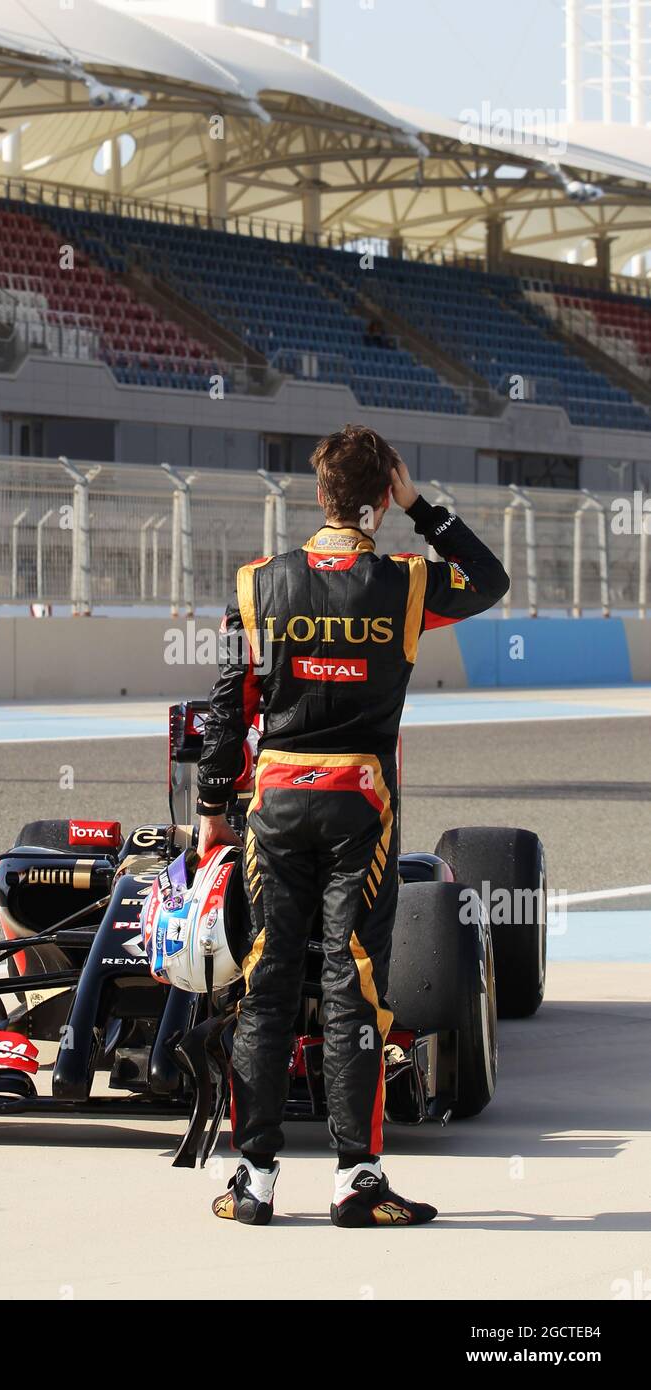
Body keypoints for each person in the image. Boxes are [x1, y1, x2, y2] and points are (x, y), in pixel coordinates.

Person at [196, 425, 509, 1228]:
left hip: (274, 806)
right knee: (353, 988)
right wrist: (421, 507)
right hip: (361, 807)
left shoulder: (258, 583)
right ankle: (357, 1180)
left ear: (320, 497)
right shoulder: (403, 583)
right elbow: (490, 579)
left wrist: (209, 812)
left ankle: (253, 1182)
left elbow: (227, 707)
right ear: (379, 500)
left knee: (263, 988)